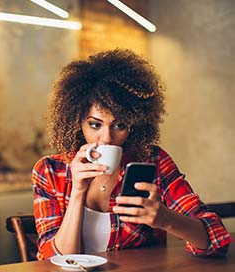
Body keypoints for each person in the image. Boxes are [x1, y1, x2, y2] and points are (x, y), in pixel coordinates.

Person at [31, 48, 231, 260]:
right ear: (76, 122)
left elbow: (216, 240)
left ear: (134, 125)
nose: (107, 138)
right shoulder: (50, 171)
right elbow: (54, 261)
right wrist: (78, 191)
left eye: (120, 125)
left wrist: (165, 219)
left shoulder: (152, 161)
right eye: (94, 125)